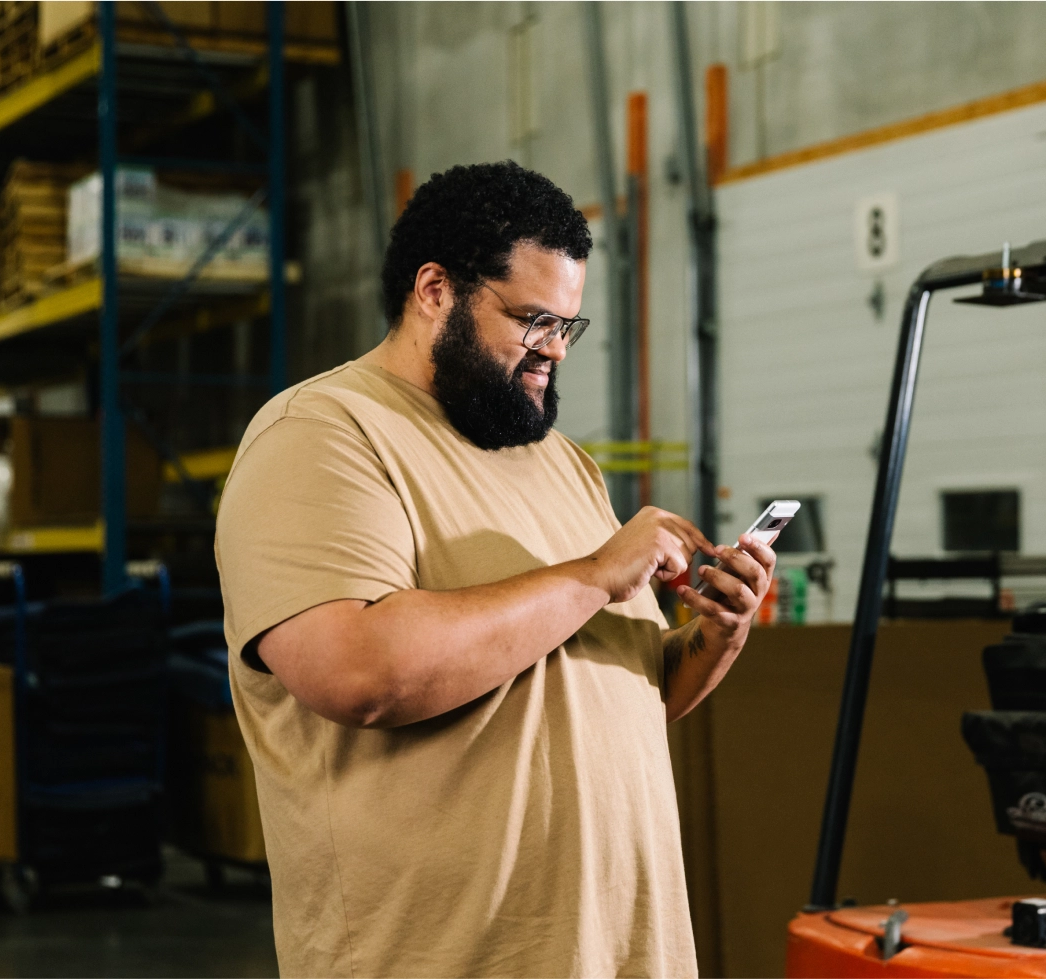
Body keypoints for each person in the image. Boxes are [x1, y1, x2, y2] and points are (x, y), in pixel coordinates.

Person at [215, 161, 774, 978]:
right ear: (435, 289)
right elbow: (357, 670)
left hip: (623, 951)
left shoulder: (562, 464)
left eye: (569, 327)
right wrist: (591, 575)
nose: (554, 350)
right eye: (534, 320)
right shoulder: (323, 436)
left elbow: (629, 690)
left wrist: (718, 633)